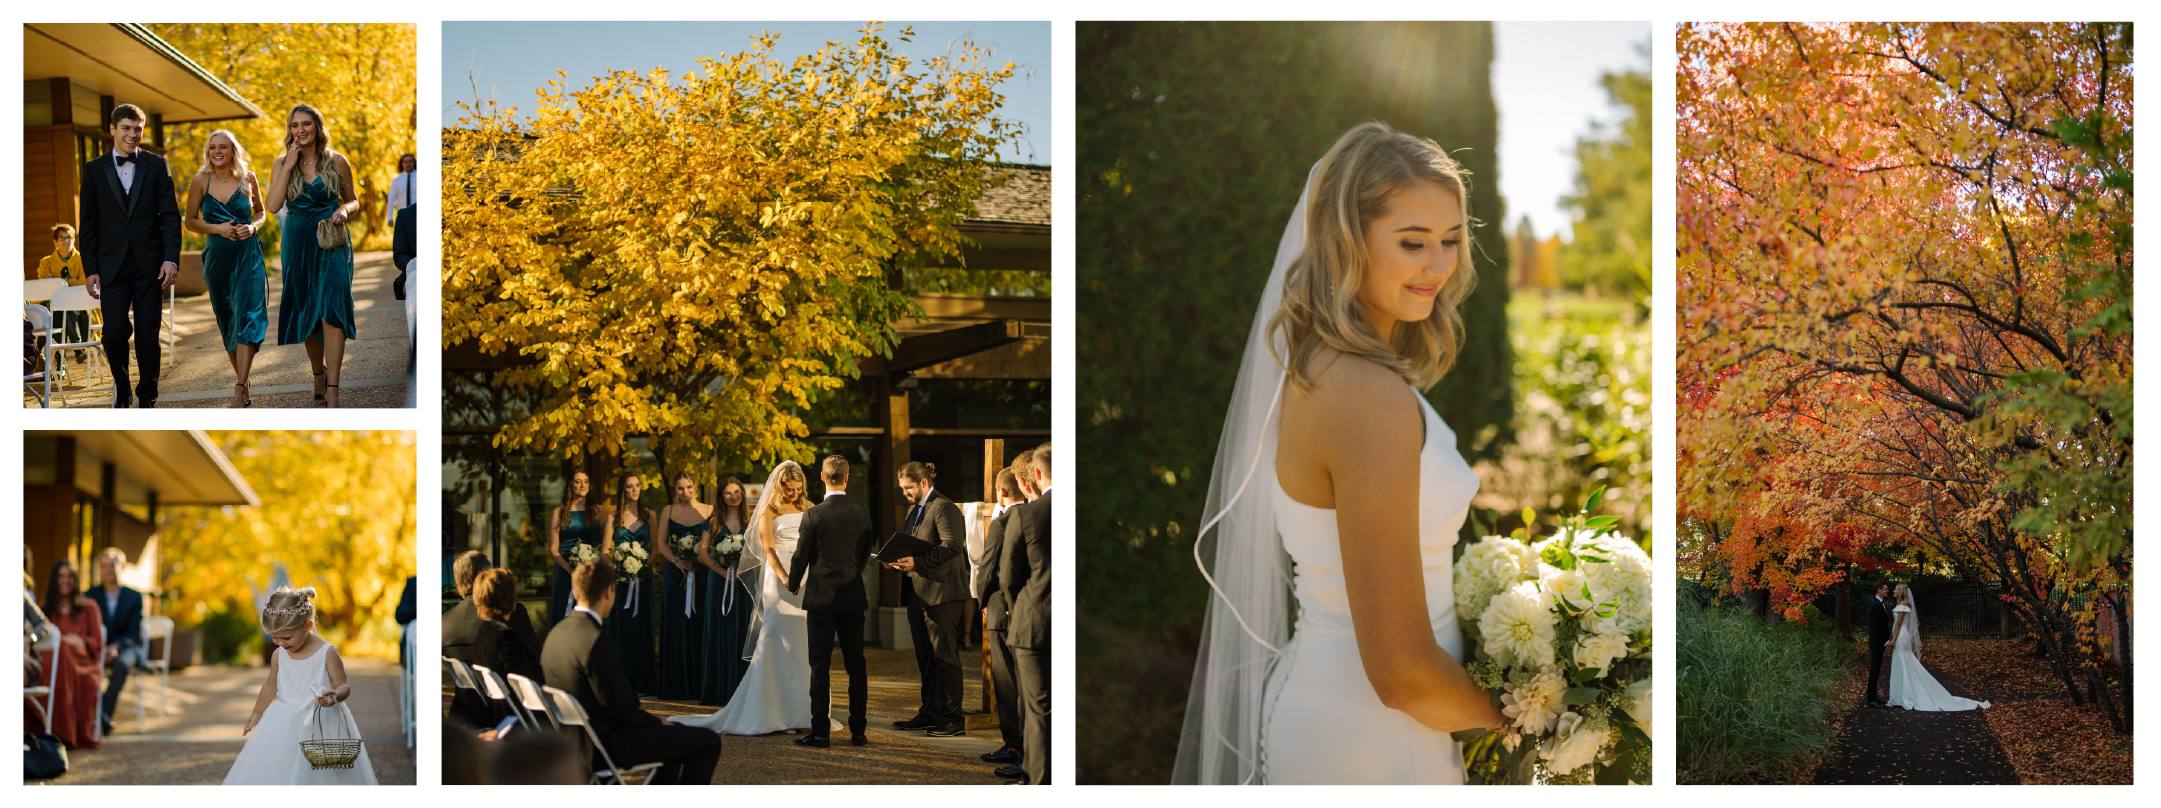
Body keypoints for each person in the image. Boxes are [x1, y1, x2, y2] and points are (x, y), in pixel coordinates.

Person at [1175, 122, 1507, 784]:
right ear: (1344, 242)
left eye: (1449, 241)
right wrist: (1535, 717)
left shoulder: (1322, 368)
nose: (1438, 267)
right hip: (1380, 741)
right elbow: (1403, 675)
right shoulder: (1364, 395)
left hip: (1332, 712)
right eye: (1412, 243)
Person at [675, 462, 828, 735]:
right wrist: (784, 577)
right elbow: (768, 548)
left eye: (798, 488)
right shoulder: (769, 510)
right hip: (778, 580)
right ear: (780, 486)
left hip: (805, 581)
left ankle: (805, 713)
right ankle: (773, 712)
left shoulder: (810, 508)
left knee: (805, 644)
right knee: (776, 640)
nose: (793, 493)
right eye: (788, 488)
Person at [540, 558, 721, 784]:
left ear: (575, 593)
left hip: (577, 742)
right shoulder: (596, 640)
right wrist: (655, 722)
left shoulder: (555, 634)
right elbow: (619, 707)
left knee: (673, 745)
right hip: (610, 746)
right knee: (709, 741)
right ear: (609, 591)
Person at [78, 103, 181, 408]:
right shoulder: (94, 169)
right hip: (110, 266)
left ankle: (147, 397)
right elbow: (89, 223)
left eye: (138, 129)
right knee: (112, 333)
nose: (133, 134)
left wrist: (170, 258)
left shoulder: (157, 165)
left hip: (151, 265)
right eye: (126, 128)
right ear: (113, 129)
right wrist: (90, 268)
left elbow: (171, 217)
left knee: (148, 337)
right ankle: (122, 392)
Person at [222, 586, 379, 784]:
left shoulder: (327, 653)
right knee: (281, 768)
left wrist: (335, 696)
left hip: (321, 720)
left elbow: (343, 685)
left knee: (322, 774)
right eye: (274, 637)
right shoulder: (279, 654)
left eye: (286, 637)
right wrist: (256, 713)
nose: (280, 642)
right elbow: (271, 686)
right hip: (283, 721)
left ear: (307, 625)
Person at [264, 103, 360, 408]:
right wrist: (289, 164)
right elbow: (273, 205)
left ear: (317, 128)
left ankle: (333, 387)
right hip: (298, 243)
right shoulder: (281, 163)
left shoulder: (337, 161)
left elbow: (354, 201)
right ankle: (318, 372)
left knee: (332, 307)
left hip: (331, 242)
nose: (300, 130)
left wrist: (343, 210)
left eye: (306, 124)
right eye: (295, 126)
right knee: (307, 309)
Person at [786, 455, 875, 748]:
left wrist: (793, 581)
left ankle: (820, 732)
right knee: (856, 665)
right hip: (852, 598)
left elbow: (801, 555)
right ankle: (858, 731)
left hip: (821, 600)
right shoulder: (863, 513)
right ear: (846, 478)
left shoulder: (813, 515)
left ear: (823, 477)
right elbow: (864, 555)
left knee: (820, 666)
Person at [184, 129, 271, 407]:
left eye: (223, 147)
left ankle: (237, 388)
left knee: (247, 316)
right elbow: (190, 222)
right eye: (212, 148)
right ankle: (244, 384)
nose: (217, 152)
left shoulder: (248, 178)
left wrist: (253, 226)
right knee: (229, 322)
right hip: (217, 261)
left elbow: (261, 212)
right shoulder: (200, 180)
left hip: (248, 256)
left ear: (233, 150)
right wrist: (218, 229)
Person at [883, 461, 969, 737]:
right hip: (917, 593)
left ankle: (952, 718)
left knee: (944, 657)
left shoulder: (944, 506)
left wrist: (917, 563)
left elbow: (953, 545)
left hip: (942, 593)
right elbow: (912, 545)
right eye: (902, 488)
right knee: (925, 657)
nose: (905, 493)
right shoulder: (913, 509)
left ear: (923, 483)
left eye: (908, 488)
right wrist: (895, 560)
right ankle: (929, 712)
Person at [1003, 443, 1054, 784]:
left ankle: (1039, 781)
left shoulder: (1026, 515)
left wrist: (1015, 606)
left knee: (1039, 708)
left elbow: (1008, 576)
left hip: (1034, 620)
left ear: (1036, 474)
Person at [975, 464, 1028, 774]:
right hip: (1032, 609)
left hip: (1001, 609)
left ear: (1002, 492)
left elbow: (988, 567)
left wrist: (983, 601)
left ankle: (1015, 746)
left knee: (1008, 684)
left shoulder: (1005, 522)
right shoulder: (1041, 515)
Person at [32, 560, 104, 749]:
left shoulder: (89, 607)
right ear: (55, 580)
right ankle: (48, 731)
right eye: (61, 576)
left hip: (83, 665)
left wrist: (82, 642)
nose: (65, 580)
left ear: (76, 580)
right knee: (57, 650)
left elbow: (98, 643)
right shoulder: (43, 609)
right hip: (50, 666)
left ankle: (64, 733)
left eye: (70, 576)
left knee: (63, 646)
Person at [695, 476, 754, 706]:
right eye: (728, 493)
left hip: (744, 583)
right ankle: (718, 690)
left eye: (736, 492)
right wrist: (722, 572)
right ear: (721, 496)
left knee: (743, 631)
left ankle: (743, 689)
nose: (733, 497)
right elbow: (703, 552)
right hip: (719, 583)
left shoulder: (751, 521)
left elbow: (759, 551)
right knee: (719, 630)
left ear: (742, 494)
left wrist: (743, 568)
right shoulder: (712, 522)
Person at [1887, 583, 1991, 711]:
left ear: (1901, 591)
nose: (1893, 591)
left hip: (1901, 637)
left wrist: (1893, 640)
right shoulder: (1904, 605)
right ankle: (1901, 696)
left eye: (1896, 589)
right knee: (1903, 663)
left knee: (1902, 663)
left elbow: (1898, 625)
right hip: (1903, 636)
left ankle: (1904, 696)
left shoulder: (1902, 605)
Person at [655, 472, 708, 700]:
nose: (684, 492)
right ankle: (677, 686)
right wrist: (677, 561)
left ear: (695, 486)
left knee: (700, 625)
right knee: (676, 626)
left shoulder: (710, 510)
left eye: (688, 487)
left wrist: (700, 559)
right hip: (675, 574)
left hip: (702, 574)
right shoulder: (668, 511)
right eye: (680, 488)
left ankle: (700, 684)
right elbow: (660, 542)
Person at [603, 472, 657, 694]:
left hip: (643, 580)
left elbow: (654, 550)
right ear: (622, 490)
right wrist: (618, 569)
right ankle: (622, 680)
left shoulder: (650, 515)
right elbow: (605, 551)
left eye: (637, 486)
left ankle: (644, 681)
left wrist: (644, 569)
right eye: (629, 487)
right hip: (621, 581)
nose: (634, 490)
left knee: (642, 629)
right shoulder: (612, 517)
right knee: (622, 630)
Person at [90, 549, 145, 737]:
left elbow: (133, 632)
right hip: (100, 646)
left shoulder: (134, 597)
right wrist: (102, 648)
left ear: (121, 567)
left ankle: (102, 715)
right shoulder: (90, 595)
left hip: (129, 647)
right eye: (105, 566)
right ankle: (88, 716)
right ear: (100, 569)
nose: (109, 570)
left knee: (121, 663)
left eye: (113, 565)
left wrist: (115, 647)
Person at [548, 471, 603, 623]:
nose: (582, 485)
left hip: (591, 572)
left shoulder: (599, 511)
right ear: (570, 485)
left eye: (586, 481)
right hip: (565, 572)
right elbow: (552, 549)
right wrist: (569, 569)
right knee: (565, 616)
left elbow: (606, 546)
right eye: (578, 482)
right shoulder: (559, 512)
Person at [36, 224, 90, 361]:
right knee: (62, 310)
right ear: (55, 242)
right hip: (55, 307)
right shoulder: (46, 262)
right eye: (61, 238)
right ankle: (78, 349)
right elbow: (46, 285)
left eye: (69, 237)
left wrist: (58, 282)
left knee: (64, 308)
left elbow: (84, 282)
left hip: (80, 305)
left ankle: (57, 359)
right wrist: (69, 281)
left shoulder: (83, 259)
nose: (66, 241)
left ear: (73, 240)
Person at [1864, 582, 1893, 708]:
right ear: (1879, 590)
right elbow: (1875, 626)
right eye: (1885, 589)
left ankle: (1874, 697)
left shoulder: (1880, 603)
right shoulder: (1875, 605)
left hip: (1879, 642)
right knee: (1874, 670)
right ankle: (1871, 699)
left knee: (1876, 670)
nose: (1888, 591)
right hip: (1876, 643)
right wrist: (1885, 641)